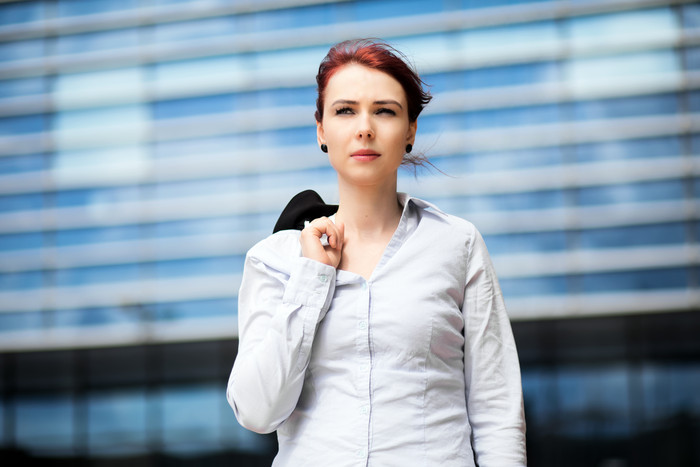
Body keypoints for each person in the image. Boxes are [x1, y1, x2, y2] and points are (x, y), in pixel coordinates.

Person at [226, 38, 527, 466]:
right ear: (321, 130)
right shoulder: (274, 259)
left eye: (384, 110)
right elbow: (256, 412)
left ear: (410, 131)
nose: (364, 127)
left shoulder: (457, 245)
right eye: (345, 110)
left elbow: (497, 410)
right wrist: (312, 279)